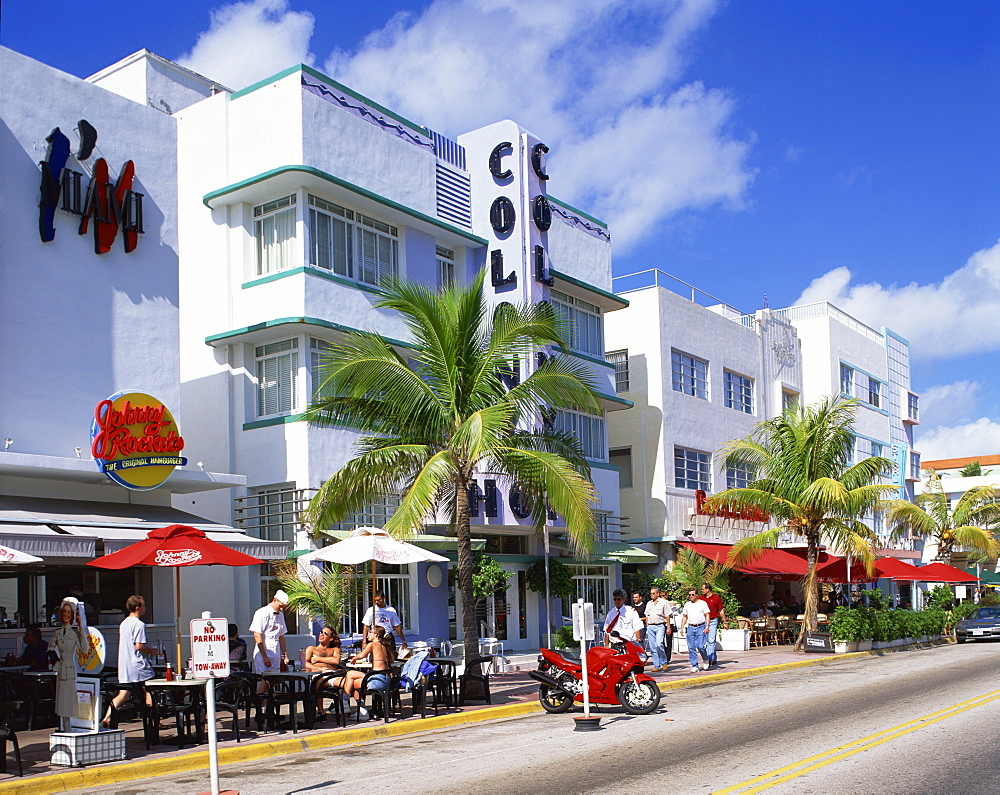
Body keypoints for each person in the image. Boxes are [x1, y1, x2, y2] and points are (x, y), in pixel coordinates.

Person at [103, 595, 155, 726]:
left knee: (123, 694)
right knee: (149, 689)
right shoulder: (139, 624)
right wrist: (151, 651)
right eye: (143, 606)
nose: (145, 608)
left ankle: (107, 717)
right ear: (137, 608)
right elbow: (139, 646)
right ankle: (152, 720)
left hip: (125, 664)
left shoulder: (124, 623)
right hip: (137, 664)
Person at [342, 625, 395, 720]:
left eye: (371, 632)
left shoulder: (373, 644)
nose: (368, 634)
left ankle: (345, 703)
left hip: (377, 679)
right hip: (385, 679)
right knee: (352, 683)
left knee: (350, 674)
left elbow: (361, 655)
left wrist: (353, 658)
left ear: (376, 635)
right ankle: (360, 710)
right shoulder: (384, 645)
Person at [52, 599, 87, 730]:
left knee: (69, 702)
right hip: (61, 669)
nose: (66, 615)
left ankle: (70, 728)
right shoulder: (57, 633)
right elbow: (50, 648)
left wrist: (81, 628)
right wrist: (55, 660)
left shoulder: (75, 634)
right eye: (64, 612)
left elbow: (84, 649)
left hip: (70, 669)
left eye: (68, 612)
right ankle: (63, 727)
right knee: (61, 702)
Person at [249, 590, 290, 688]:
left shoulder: (280, 615)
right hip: (264, 651)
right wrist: (264, 656)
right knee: (266, 680)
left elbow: (281, 636)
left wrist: (285, 654)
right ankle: (258, 702)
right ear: (274, 600)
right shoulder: (262, 613)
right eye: (280, 606)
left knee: (273, 681)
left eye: (283, 607)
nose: (281, 609)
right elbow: (257, 635)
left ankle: (266, 702)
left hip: (276, 652)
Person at [304, 626, 343, 720]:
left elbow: (336, 661)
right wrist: (319, 669)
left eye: (325, 633)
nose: (321, 634)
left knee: (347, 682)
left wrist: (317, 659)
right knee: (318, 682)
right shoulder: (311, 649)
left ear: (331, 638)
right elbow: (305, 663)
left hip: (332, 674)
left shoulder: (334, 649)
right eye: (321, 632)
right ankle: (321, 712)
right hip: (318, 674)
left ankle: (346, 705)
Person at [679, 588, 712, 673]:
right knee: (691, 647)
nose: (691, 596)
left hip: (700, 626)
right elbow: (684, 616)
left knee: (701, 646)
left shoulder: (702, 603)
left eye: (692, 595)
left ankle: (705, 659)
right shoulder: (687, 605)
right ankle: (695, 665)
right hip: (690, 627)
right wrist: (682, 627)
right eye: (689, 595)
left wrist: (707, 626)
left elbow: (707, 615)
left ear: (697, 595)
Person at [644, 587, 672, 671]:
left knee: (659, 644)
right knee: (652, 647)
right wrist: (647, 624)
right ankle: (656, 665)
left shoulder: (663, 602)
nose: (652, 595)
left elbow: (667, 615)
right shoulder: (649, 603)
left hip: (660, 625)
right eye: (651, 594)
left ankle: (663, 662)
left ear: (658, 594)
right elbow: (646, 614)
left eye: (653, 593)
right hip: (651, 626)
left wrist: (668, 627)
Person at [700, 582, 727, 668]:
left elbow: (721, 610)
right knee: (706, 641)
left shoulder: (716, 598)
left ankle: (709, 659)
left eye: (703, 589)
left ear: (708, 590)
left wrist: (725, 622)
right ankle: (713, 657)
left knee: (711, 641)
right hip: (703, 621)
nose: (702, 590)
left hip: (713, 621)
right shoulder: (701, 599)